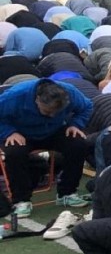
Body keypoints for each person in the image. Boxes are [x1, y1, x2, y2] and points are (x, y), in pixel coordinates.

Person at [0, 78, 92, 216]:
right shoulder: (15, 96)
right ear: (37, 100)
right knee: (14, 152)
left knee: (78, 144)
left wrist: (76, 124)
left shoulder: (70, 92)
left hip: (54, 130)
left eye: (56, 112)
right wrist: (8, 132)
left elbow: (87, 106)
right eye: (48, 112)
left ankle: (67, 192)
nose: (52, 115)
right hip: (21, 133)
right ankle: (21, 200)